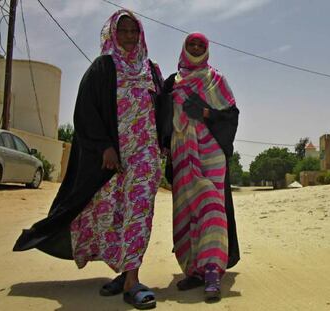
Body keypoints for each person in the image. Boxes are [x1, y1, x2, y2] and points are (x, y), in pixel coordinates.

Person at [13, 9, 168, 310]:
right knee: (113, 216)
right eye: (122, 30)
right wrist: (104, 147)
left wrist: (164, 143)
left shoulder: (151, 69)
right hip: (114, 161)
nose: (128, 36)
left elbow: (162, 108)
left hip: (146, 159)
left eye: (133, 30)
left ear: (141, 34)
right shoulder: (103, 67)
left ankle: (132, 281)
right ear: (112, 33)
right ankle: (124, 275)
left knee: (139, 215)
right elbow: (85, 110)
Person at [163, 32, 240, 302]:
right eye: (191, 44)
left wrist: (206, 113)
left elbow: (231, 116)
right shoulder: (172, 83)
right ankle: (193, 271)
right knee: (186, 211)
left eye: (200, 45)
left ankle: (211, 271)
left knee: (211, 205)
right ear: (184, 48)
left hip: (211, 153)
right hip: (182, 152)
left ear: (207, 50)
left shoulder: (216, 80)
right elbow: (162, 118)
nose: (196, 48)